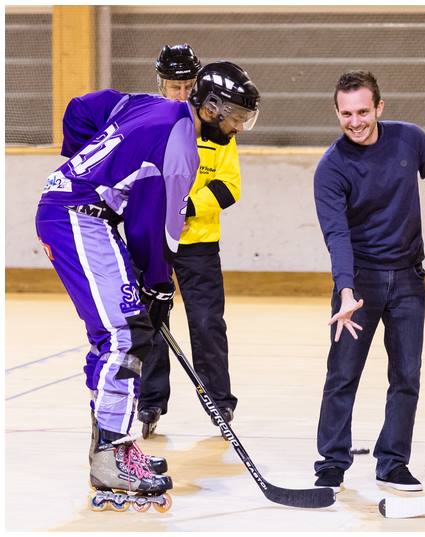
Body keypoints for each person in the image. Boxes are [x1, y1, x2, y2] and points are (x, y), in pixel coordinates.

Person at [35, 61, 260, 511]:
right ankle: (110, 454)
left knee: (117, 335)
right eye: (234, 118)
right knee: (127, 334)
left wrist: (81, 164)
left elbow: (83, 107)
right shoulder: (181, 150)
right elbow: (155, 229)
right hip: (79, 219)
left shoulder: (150, 106)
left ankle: (113, 443)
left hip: (74, 211)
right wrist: (158, 286)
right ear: (211, 108)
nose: (237, 128)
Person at [312, 70, 425, 493]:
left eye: (363, 111)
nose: (355, 121)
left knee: (406, 375)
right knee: (343, 374)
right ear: (337, 113)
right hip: (359, 285)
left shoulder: (410, 139)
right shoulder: (331, 167)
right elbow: (336, 235)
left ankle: (393, 462)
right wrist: (346, 290)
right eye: (346, 113)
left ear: (379, 108)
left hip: (407, 281)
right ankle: (331, 461)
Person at [138, 45, 248, 438]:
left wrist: (187, 207)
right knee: (151, 323)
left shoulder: (219, 131)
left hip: (199, 243)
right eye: (174, 86)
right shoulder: (150, 121)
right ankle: (150, 400)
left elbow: (229, 186)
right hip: (152, 244)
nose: (182, 94)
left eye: (188, 86)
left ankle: (219, 402)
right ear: (161, 86)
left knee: (206, 324)